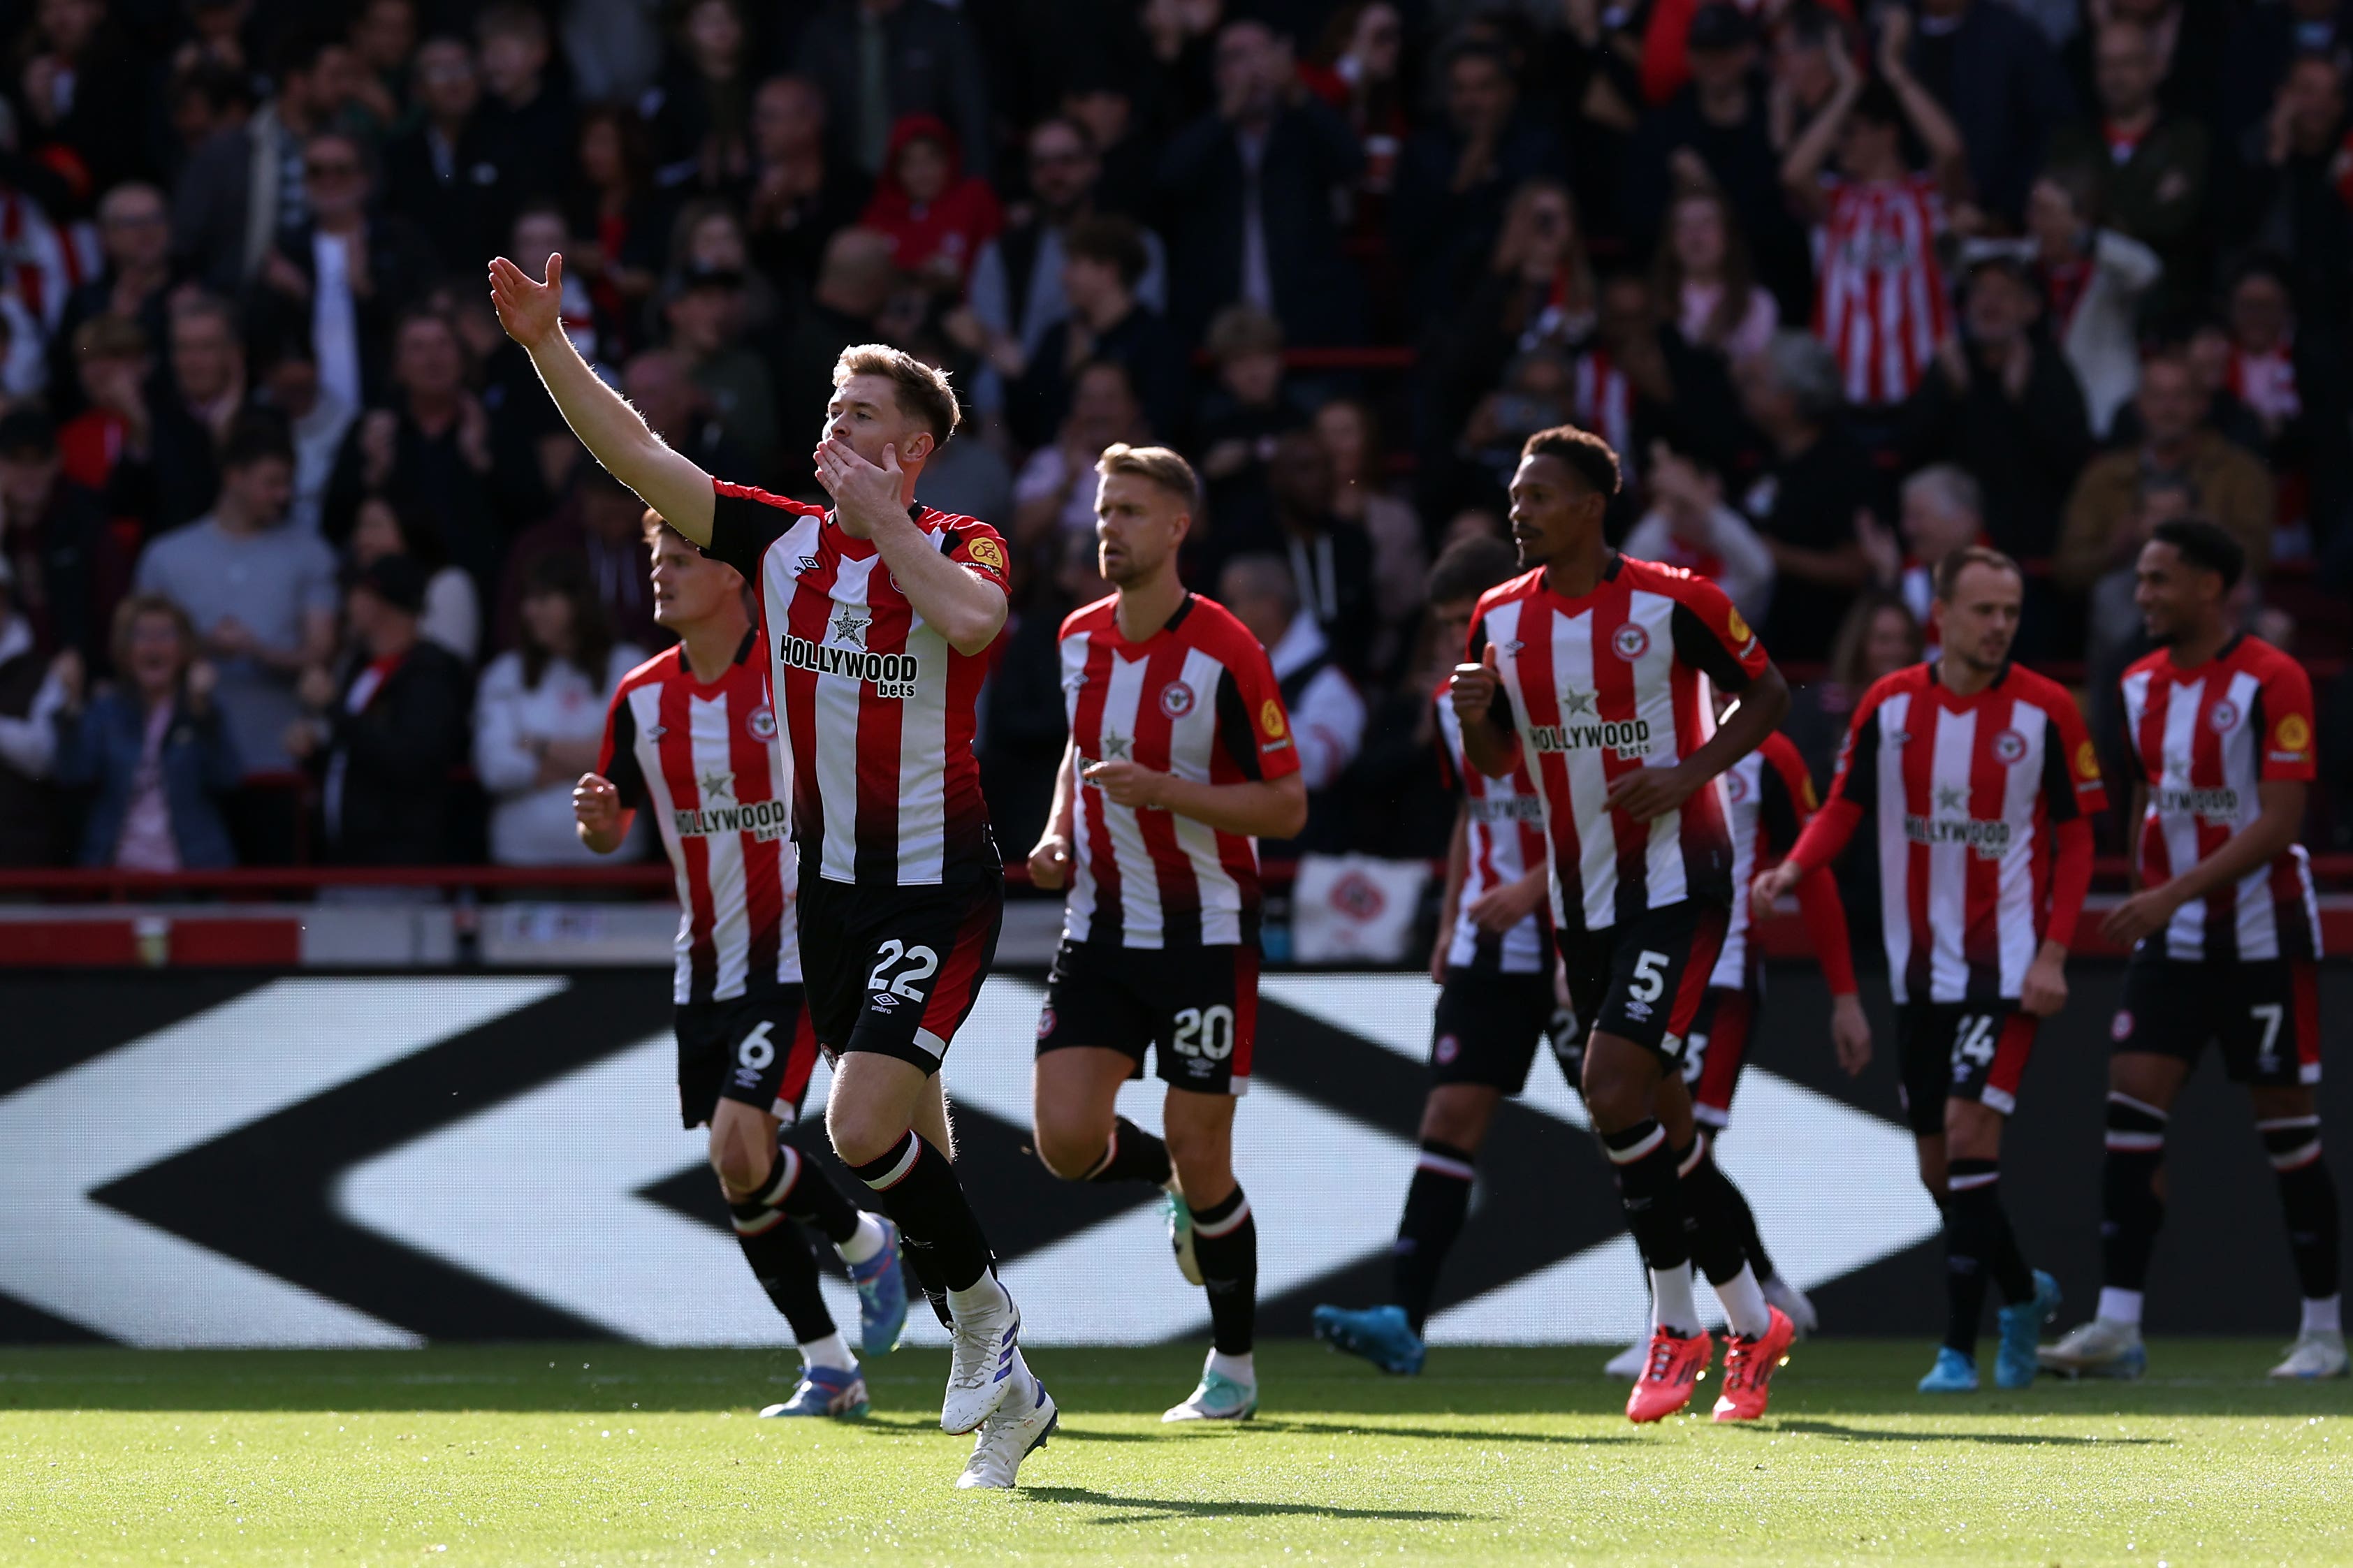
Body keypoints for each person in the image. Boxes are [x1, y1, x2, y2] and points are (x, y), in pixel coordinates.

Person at [488, 252, 1054, 1490]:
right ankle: (1010, 1397)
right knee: (922, 1148)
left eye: (860, 415)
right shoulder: (778, 544)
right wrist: (547, 346)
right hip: (832, 896)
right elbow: (635, 454)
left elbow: (972, 624)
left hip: (937, 883)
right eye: (831, 410)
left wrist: (896, 526)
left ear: (910, 452)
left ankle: (985, 1322)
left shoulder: (963, 540)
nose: (833, 427)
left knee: (856, 1129)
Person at [1447, 423, 1798, 1424]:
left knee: (1610, 1089)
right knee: (1663, 1121)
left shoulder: (1676, 600)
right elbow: (1505, 765)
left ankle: (1675, 1321)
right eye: (1516, 494)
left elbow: (1769, 689)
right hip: (1582, 900)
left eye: (1540, 495)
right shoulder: (1497, 618)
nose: (1520, 509)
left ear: (1594, 507)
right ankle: (1751, 1316)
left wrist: (1690, 772)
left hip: (1681, 883)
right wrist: (1478, 714)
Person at [575, 511, 913, 1418]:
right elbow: (610, 828)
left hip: (800, 958)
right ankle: (831, 1365)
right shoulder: (640, 699)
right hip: (707, 964)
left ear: (734, 580)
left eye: (681, 560)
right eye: (656, 560)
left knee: (739, 1142)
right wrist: (602, 824)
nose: (662, 576)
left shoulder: (792, 675)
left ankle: (865, 1241)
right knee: (741, 1170)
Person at [1756, 546, 2102, 1393]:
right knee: (1937, 1170)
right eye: (1983, 611)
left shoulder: (2047, 710)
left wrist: (2054, 952)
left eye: (2010, 612)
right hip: (1917, 976)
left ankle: (1956, 1350)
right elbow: (1842, 807)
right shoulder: (1889, 704)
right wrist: (1794, 868)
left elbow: (2079, 836)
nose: (1998, 627)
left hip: (2004, 968)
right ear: (1939, 615)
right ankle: (2020, 1293)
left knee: (1970, 1137)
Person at [1025, 444, 1306, 1423]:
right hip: (1098, 925)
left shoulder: (1228, 649)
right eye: (1105, 511)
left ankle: (1233, 1369)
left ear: (1179, 527)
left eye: (1133, 512)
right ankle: (1175, 1189)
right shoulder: (1076, 636)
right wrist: (1058, 831)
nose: (1111, 528)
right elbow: (1078, 748)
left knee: (1205, 1142)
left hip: (1205, 933)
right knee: (1063, 1141)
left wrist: (1169, 793)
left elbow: (1288, 806)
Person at [2041, 519, 2343, 1382]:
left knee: (2286, 1131)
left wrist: (2172, 890)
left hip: (2260, 933)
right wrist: (2156, 892)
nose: (2141, 596)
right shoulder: (2135, 684)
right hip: (2170, 940)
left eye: (2157, 580)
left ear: (2209, 586)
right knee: (2130, 1112)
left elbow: (2280, 821)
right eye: (2139, 580)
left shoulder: (2271, 679)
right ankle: (2117, 1325)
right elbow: (2143, 798)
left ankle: (2322, 1328)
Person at [1311, 536, 1567, 1373]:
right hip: (1489, 942)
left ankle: (1701, 1300)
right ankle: (1403, 1318)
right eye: (1452, 623)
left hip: (1575, 931)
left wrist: (1533, 890)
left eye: (1475, 617)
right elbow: (1474, 815)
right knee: (1446, 1120)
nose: (1466, 636)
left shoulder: (1565, 689)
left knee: (1628, 1119)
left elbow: (1600, 818)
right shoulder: (1450, 709)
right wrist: (1451, 918)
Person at [1594, 704, 1872, 1377]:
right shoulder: (1632, 740)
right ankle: (1766, 1284)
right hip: (1650, 973)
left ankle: (1671, 1319)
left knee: (1680, 1148)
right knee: (1677, 1149)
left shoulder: (1770, 754)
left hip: (1724, 978)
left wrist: (1844, 996)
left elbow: (1816, 868)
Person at [132, 412, 337, 778]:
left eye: (288, 483)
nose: (283, 495)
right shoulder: (166, 555)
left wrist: (256, 651)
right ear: (234, 478)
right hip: (187, 768)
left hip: (283, 760)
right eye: (271, 483)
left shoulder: (312, 552)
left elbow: (321, 650)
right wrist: (203, 645)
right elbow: (136, 650)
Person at [1781, 20, 1968, 409]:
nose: (1837, 143)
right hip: (1842, 399)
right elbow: (1794, 173)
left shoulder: (1929, 196)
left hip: (1922, 397)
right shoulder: (1835, 200)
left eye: (1850, 131)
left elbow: (1950, 150)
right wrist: (1847, 88)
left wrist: (1894, 70)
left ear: (1888, 134)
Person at [286, 555, 472, 872]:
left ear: (378, 602)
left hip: (399, 867)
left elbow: (408, 757)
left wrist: (333, 708)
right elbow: (355, 752)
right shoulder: (359, 667)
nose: (348, 606)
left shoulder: (431, 674)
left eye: (356, 595)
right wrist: (314, 753)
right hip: (342, 863)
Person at [475, 552, 646, 867]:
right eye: (527, 599)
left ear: (577, 602)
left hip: (613, 860)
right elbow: (495, 768)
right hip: (522, 859)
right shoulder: (504, 673)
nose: (529, 611)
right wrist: (591, 757)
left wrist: (535, 745)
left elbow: (630, 760)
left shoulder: (629, 665)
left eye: (543, 599)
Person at [50, 594, 241, 871]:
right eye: (141, 635)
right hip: (118, 876)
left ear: (185, 648)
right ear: (125, 650)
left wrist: (204, 715)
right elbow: (72, 774)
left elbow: (229, 777)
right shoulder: (106, 711)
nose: (154, 644)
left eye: (165, 634)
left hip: (193, 877)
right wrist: (70, 704)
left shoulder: (201, 709)